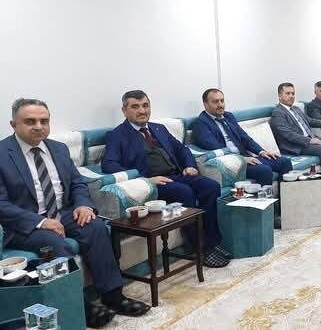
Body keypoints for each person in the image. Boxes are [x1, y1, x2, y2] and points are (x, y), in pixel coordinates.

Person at [0, 99, 150, 328]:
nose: (39, 126)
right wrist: (41, 222)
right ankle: (80, 306)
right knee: (54, 243)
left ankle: (113, 295)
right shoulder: (3, 154)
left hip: (64, 212)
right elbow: (2, 204)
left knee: (96, 227)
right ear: (13, 124)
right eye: (30, 121)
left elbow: (78, 183)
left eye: (44, 121)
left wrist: (83, 205)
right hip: (25, 223)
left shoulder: (58, 149)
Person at [101, 90, 228, 268]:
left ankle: (213, 242)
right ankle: (201, 249)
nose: (142, 110)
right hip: (153, 183)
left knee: (210, 186)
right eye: (135, 107)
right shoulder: (117, 135)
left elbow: (182, 149)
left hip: (177, 175)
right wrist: (145, 180)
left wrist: (189, 165)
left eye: (145, 105)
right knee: (184, 192)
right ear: (124, 110)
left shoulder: (158, 128)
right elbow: (109, 164)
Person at [191, 88, 292, 186]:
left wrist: (262, 152)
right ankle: (264, 198)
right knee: (264, 170)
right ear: (205, 104)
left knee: (285, 162)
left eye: (222, 101)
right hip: (231, 164)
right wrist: (242, 159)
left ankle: (284, 196)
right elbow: (217, 149)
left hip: (246, 157)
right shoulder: (201, 124)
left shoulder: (228, 116)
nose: (220, 104)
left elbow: (245, 138)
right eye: (215, 102)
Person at [270, 83, 321, 195]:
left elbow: (309, 120)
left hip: (310, 138)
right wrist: (309, 140)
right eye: (287, 93)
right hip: (296, 145)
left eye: (293, 93)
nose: (291, 96)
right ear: (280, 96)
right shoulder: (278, 112)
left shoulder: (295, 109)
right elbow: (287, 134)